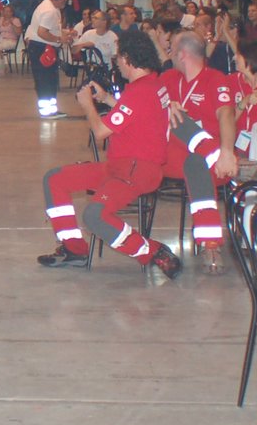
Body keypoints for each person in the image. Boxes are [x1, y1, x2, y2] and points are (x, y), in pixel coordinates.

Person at [37, 30, 184, 278]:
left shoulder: (139, 91)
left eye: (117, 58)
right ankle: (75, 249)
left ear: (127, 59)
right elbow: (136, 113)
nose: (116, 63)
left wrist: (88, 106)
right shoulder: (152, 84)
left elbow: (101, 132)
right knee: (55, 179)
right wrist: (106, 98)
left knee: (95, 216)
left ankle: (153, 251)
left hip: (136, 171)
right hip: (122, 166)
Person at [159, 32, 235, 271]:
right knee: (178, 120)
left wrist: (227, 150)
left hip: (203, 162)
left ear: (182, 54)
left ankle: (210, 242)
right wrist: (165, 107)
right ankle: (218, 158)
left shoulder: (215, 78)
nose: (168, 54)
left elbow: (226, 114)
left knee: (196, 164)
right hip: (171, 155)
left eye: (171, 49)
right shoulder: (167, 78)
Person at [25, 0, 70, 119]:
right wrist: (59, 39)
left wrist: (64, 33)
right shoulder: (50, 10)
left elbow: (49, 28)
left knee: (50, 79)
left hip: (41, 46)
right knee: (46, 79)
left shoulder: (47, 6)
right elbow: (42, 32)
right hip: (42, 48)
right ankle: (46, 111)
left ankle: (51, 109)